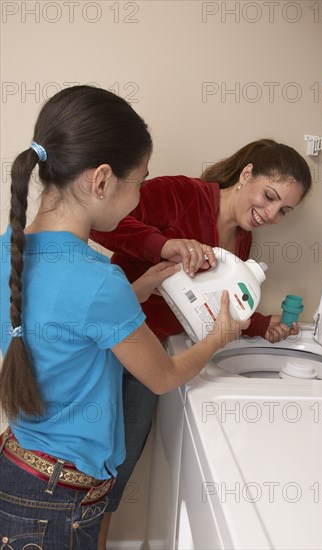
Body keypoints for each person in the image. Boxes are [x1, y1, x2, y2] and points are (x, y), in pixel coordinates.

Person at [0, 85, 248, 550]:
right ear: (101, 181)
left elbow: (62, 327)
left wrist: (141, 286)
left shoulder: (8, 253)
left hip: (18, 472)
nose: (139, 199)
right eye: (140, 182)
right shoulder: (97, 280)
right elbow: (164, 375)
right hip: (62, 498)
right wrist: (219, 335)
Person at [90, 138, 312, 544]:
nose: (271, 213)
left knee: (118, 469)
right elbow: (104, 222)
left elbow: (219, 302)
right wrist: (164, 246)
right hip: (114, 344)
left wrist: (263, 324)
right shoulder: (179, 193)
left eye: (284, 210)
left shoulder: (242, 239)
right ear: (246, 174)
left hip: (157, 356)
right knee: (89, 464)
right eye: (269, 196)